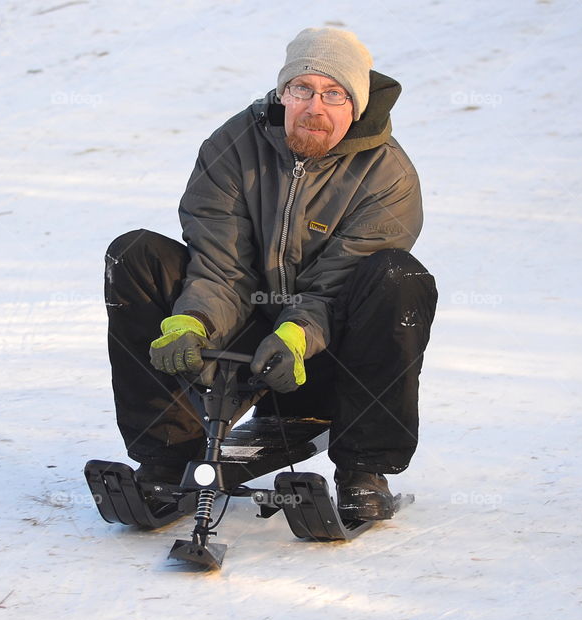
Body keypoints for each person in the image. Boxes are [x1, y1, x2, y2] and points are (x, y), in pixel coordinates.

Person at [104, 27, 437, 520]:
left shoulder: (388, 175)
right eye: (302, 89)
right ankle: (166, 456)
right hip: (243, 327)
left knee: (397, 277)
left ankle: (364, 470)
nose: (314, 107)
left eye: (334, 94)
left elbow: (335, 286)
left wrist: (296, 335)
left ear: (357, 105)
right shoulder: (234, 145)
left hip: (329, 349)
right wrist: (192, 321)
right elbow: (220, 262)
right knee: (134, 255)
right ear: (283, 93)